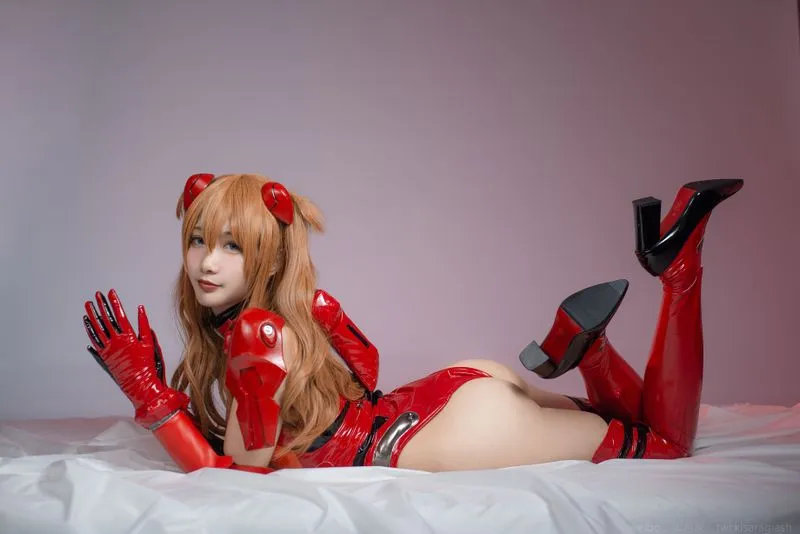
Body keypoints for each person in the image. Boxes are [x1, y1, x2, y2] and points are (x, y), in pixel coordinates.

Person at [82, 173, 743, 473]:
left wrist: (150, 394)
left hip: (443, 434)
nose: (207, 262)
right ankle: (590, 352)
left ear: (267, 256)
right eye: (198, 240)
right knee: (636, 427)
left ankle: (680, 272)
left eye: (232, 246)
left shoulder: (257, 337)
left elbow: (235, 482)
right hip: (445, 394)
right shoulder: (297, 314)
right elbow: (366, 374)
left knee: (665, 447)